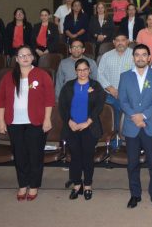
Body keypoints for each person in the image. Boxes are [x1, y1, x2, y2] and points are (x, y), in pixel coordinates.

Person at [0, 45, 54, 201]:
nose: (25, 58)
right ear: (16, 59)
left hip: (36, 122)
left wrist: (47, 119)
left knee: (35, 155)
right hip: (14, 122)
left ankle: (33, 186)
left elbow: (49, 99)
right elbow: (1, 100)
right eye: (22, 55)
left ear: (33, 58)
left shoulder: (42, 75)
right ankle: (22, 184)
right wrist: (0, 121)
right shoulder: (8, 77)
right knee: (20, 155)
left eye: (28, 55)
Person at [119, 44, 152, 209]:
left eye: (143, 55)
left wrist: (143, 115)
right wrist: (135, 116)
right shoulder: (125, 76)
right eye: (137, 55)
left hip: (150, 124)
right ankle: (135, 194)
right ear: (133, 58)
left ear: (149, 57)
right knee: (132, 164)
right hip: (132, 126)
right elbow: (122, 100)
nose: (140, 58)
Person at [58, 58, 105, 201]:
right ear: (75, 71)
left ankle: (88, 184)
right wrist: (69, 121)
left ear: (89, 70)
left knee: (87, 157)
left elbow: (99, 106)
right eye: (79, 70)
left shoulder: (96, 86)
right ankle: (77, 184)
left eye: (85, 69)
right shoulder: (68, 86)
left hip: (89, 128)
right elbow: (62, 106)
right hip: (71, 127)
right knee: (75, 157)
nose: (82, 72)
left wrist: (88, 121)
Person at [97, 32, 134, 143]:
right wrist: (111, 89)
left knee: (127, 117)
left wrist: (124, 92)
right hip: (110, 95)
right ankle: (115, 145)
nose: (120, 43)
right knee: (113, 118)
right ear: (114, 42)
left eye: (123, 40)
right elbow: (100, 74)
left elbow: (138, 75)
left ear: (127, 41)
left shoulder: (134, 55)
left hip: (129, 95)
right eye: (117, 40)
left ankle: (128, 143)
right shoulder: (106, 56)